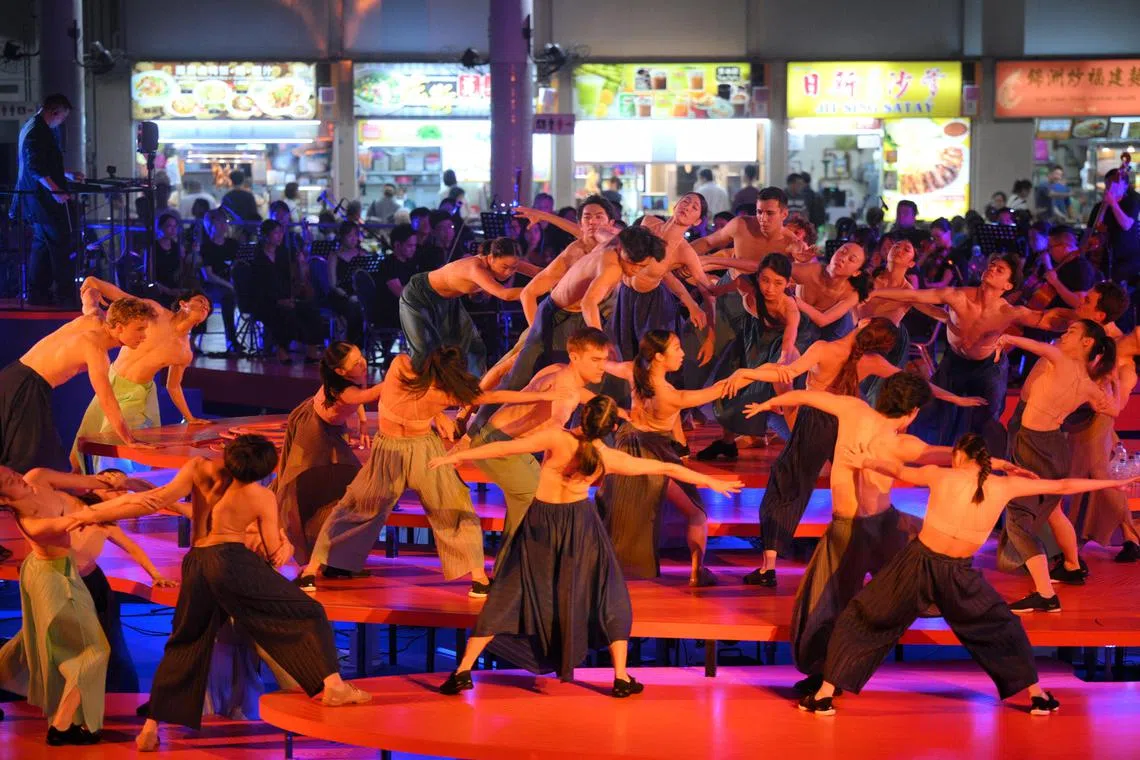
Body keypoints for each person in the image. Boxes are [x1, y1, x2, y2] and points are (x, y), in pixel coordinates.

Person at [431, 395, 743, 697]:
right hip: (581, 526)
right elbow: (667, 468)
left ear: (584, 416)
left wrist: (458, 456)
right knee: (608, 593)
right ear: (609, 430)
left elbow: (506, 446)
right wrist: (712, 482)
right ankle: (620, 676)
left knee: (509, 591)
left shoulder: (558, 439)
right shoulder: (609, 457)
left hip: (541, 525)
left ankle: (462, 671)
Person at [801, 434, 1133, 716]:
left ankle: (824, 694)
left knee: (863, 616)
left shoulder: (942, 475)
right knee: (1002, 627)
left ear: (959, 456)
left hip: (919, 565)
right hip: (953, 573)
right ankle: (1037, 697)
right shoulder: (1004, 485)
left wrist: (867, 460)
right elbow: (1064, 484)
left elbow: (899, 469)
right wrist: (1116, 482)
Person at [72, 436, 372, 750]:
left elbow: (154, 499)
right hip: (231, 562)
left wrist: (92, 514)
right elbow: (272, 554)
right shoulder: (259, 496)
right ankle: (334, 685)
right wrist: (286, 545)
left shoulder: (198, 468)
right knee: (310, 611)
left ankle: (150, 729)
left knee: (185, 642)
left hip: (198, 561)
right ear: (265, 469)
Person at [725, 318, 983, 584]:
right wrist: (955, 398)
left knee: (788, 484)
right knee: (863, 484)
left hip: (817, 419)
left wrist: (747, 374)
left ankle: (768, 567)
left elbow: (786, 374)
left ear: (864, 323)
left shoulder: (823, 349)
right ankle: (878, 558)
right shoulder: (873, 361)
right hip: (851, 421)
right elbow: (915, 383)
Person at [296, 345, 568, 592]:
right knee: (453, 506)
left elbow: (487, 393)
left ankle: (311, 571)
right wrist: (546, 393)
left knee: (355, 506)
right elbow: (494, 396)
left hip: (391, 451)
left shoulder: (398, 366)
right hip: (419, 452)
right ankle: (479, 579)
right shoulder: (441, 396)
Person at [598, 330, 749, 584]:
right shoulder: (671, 397)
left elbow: (603, 364)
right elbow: (719, 390)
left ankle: (609, 568)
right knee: (697, 513)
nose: (683, 353)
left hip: (625, 445)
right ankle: (696, 572)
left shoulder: (633, 371)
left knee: (619, 512)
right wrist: (747, 375)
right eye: (677, 348)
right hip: (654, 451)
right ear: (658, 356)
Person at [464, 327, 615, 570]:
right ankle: (513, 573)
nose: (602, 366)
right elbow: (555, 425)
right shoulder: (565, 395)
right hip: (498, 444)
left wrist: (619, 411)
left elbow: (577, 393)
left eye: (604, 359)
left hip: (507, 444)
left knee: (530, 504)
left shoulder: (558, 370)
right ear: (575, 356)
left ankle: (511, 571)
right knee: (536, 501)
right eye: (595, 360)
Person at [991, 323, 1117, 613]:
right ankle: (1072, 566)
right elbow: (1112, 409)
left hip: (1033, 445)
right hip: (1055, 447)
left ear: (1086, 342)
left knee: (1018, 520)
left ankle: (1046, 594)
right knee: (1055, 510)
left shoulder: (1060, 359)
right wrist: (1109, 383)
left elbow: (1038, 347)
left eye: (1071, 331)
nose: (1064, 334)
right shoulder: (1087, 382)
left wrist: (1007, 336)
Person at [869, 253, 1037, 452]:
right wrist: (874, 292)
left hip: (988, 368)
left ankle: (985, 466)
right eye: (991, 265)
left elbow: (1045, 319)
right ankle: (923, 456)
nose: (991, 269)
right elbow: (914, 296)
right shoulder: (958, 295)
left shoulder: (1009, 312)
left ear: (1008, 286)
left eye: (999, 270)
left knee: (987, 420)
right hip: (955, 360)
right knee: (931, 409)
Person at [0, 465, 116, 743]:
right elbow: (86, 517)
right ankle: (61, 726)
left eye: (10, 472)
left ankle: (68, 722)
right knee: (95, 651)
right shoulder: (32, 522)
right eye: (8, 481)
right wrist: (142, 501)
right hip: (52, 579)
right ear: (3, 499)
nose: (16, 477)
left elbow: (86, 481)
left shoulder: (36, 478)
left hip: (53, 570)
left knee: (31, 645)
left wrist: (109, 482)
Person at [1, 297, 156, 477]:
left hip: (10, 377)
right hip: (27, 387)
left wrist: (91, 288)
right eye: (139, 329)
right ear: (120, 327)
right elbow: (106, 399)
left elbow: (89, 302)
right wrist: (129, 439)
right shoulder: (96, 350)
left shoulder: (93, 319)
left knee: (34, 460)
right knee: (31, 462)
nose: (144, 336)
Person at [71, 280, 212, 472]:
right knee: (80, 450)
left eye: (208, 308)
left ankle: (117, 490)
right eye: (201, 300)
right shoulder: (155, 312)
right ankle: (84, 493)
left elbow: (173, 386)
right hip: (111, 379)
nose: (206, 306)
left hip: (136, 393)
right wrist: (96, 283)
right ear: (183, 303)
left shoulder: (184, 352)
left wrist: (190, 417)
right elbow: (122, 298)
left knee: (113, 441)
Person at [273, 343, 374, 566]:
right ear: (340, 372)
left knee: (346, 484)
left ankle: (332, 555)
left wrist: (364, 422)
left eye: (362, 356)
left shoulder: (350, 378)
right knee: (300, 484)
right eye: (356, 362)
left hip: (330, 431)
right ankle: (288, 539)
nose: (363, 363)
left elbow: (358, 393)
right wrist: (401, 376)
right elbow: (364, 395)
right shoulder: (343, 389)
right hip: (312, 430)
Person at [697, 253, 799, 460]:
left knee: (766, 399)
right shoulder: (746, 285)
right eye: (765, 280)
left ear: (789, 283)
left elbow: (789, 342)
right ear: (757, 277)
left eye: (778, 283)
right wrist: (709, 285)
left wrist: (781, 362)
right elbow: (723, 288)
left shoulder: (789, 307)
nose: (770, 288)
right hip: (748, 340)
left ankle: (800, 446)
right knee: (728, 390)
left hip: (776, 349)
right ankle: (727, 443)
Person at [399, 236, 539, 375]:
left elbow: (538, 272)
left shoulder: (507, 260)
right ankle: (416, 393)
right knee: (424, 353)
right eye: (505, 267)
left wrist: (558, 281)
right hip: (419, 296)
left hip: (448, 301)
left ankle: (472, 390)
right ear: (491, 258)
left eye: (514, 268)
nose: (509, 272)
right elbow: (504, 294)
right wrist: (535, 291)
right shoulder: (475, 268)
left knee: (472, 347)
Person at [16, 93, 83, 306]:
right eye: (62, 117)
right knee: (59, 243)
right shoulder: (39, 132)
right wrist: (56, 190)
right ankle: (64, 295)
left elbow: (41, 165)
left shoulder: (32, 127)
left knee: (42, 245)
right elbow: (36, 167)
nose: (61, 122)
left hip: (36, 199)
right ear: (55, 112)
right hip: (43, 200)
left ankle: (38, 293)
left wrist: (67, 174)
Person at [249, 220, 325, 364]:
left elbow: (293, 277)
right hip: (266, 301)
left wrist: (301, 264)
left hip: (286, 296)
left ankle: (312, 349)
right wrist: (278, 300)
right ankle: (282, 349)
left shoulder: (283, 252)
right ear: (266, 235)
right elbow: (258, 287)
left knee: (311, 309)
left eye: (281, 232)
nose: (280, 236)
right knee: (285, 314)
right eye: (276, 233)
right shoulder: (257, 257)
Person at [199, 209, 240, 355]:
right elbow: (208, 275)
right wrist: (229, 285)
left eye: (225, 222)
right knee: (227, 296)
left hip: (231, 282)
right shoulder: (206, 247)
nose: (224, 225)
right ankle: (232, 339)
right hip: (213, 285)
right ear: (210, 224)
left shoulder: (233, 244)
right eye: (220, 222)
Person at [1088, 168, 1140, 283]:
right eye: (1107, 185)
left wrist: (1113, 203)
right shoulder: (1099, 207)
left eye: (1114, 185)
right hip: (1104, 256)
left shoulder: (1132, 202)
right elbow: (1093, 228)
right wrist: (1105, 205)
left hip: (1128, 257)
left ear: (1125, 186)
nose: (1110, 188)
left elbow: (1126, 225)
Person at [324, 221, 370, 346]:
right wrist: (348, 296)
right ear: (342, 237)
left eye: (356, 235)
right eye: (350, 235)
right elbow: (332, 284)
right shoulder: (334, 256)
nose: (354, 238)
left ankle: (363, 345)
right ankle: (353, 346)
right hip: (340, 294)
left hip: (359, 293)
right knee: (353, 309)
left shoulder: (363, 254)